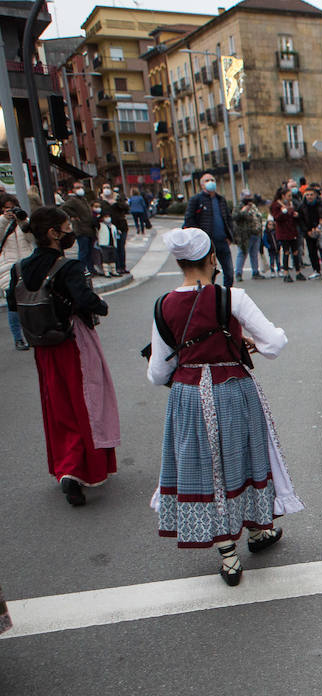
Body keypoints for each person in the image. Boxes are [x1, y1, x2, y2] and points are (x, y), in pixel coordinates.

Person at [147, 228, 299, 585]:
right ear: (212, 258)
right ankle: (258, 532)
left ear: (180, 261)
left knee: (206, 468)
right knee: (244, 459)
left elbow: (157, 373)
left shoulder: (162, 305)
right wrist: (250, 344)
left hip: (187, 396)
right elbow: (275, 343)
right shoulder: (232, 297)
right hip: (232, 390)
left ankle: (228, 555)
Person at [7, 206, 119, 506]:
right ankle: (82, 469)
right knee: (87, 403)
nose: (70, 232)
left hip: (43, 349)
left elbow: (13, 305)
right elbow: (85, 300)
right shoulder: (67, 266)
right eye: (66, 226)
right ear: (53, 233)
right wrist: (101, 306)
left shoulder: (20, 268)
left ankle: (65, 465)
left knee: (58, 407)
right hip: (73, 342)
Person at [182, 173, 234, 281]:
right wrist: (199, 237)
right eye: (207, 180)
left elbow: (228, 218)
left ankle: (226, 294)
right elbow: (189, 219)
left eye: (212, 179)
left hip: (222, 241)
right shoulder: (196, 200)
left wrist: (230, 236)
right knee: (209, 273)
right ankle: (210, 294)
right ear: (202, 185)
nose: (210, 182)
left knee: (229, 271)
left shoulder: (221, 200)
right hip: (207, 243)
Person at [1, 194, 34, 350]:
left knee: (30, 300)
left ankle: (32, 334)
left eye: (13, 207)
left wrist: (23, 222)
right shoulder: (2, 222)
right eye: (7, 208)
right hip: (7, 267)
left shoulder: (22, 221)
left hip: (26, 264)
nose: (10, 211)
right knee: (13, 303)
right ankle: (18, 338)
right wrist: (4, 219)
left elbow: (32, 239)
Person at [270, 187, 303, 282]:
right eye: (288, 196)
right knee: (286, 252)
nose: (290, 198)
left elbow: (291, 214)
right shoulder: (276, 205)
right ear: (283, 196)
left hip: (292, 231)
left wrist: (295, 214)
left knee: (296, 252)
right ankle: (286, 273)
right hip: (283, 232)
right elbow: (276, 217)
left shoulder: (289, 204)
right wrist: (283, 211)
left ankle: (298, 272)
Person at [232, 193, 265, 282]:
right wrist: (243, 211)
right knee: (242, 253)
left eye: (250, 197)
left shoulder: (253, 206)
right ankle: (238, 273)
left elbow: (258, 217)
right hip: (245, 235)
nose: (249, 199)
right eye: (247, 197)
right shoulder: (239, 206)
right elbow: (235, 217)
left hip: (256, 233)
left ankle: (255, 272)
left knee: (254, 254)